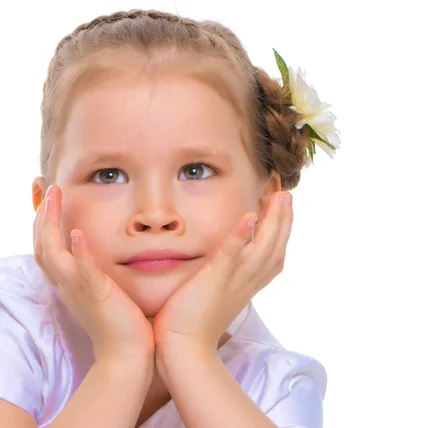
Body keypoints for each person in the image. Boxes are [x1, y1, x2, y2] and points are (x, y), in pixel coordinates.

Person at [0, 9, 340, 428]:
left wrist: (188, 350)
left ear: (267, 202)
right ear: (47, 207)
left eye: (195, 170)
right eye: (109, 175)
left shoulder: (276, 389)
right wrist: (121, 360)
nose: (155, 215)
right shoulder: (14, 319)